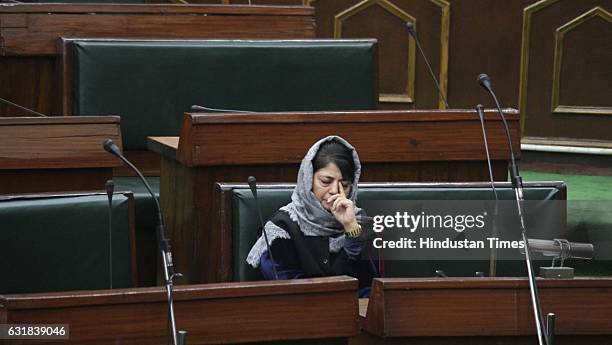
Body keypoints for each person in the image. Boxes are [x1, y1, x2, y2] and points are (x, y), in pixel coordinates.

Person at [246, 135, 376, 297]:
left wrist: (351, 230)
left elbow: (369, 288)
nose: (335, 191)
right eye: (325, 181)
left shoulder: (358, 222)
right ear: (308, 180)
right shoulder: (282, 228)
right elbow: (294, 292)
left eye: (344, 184)